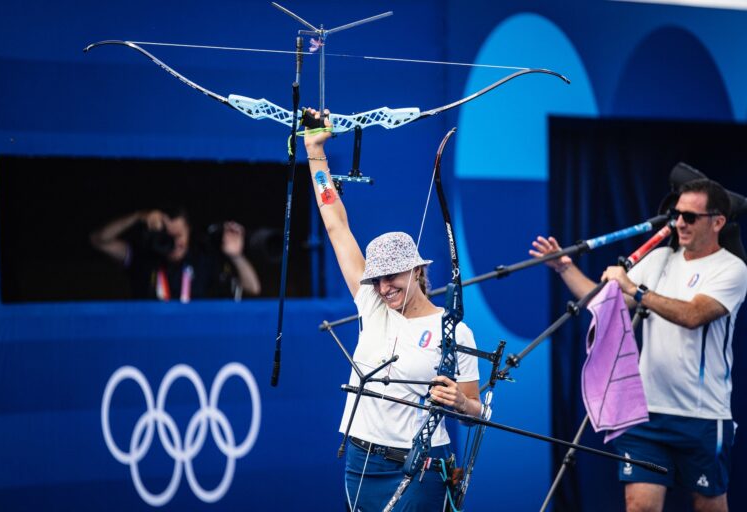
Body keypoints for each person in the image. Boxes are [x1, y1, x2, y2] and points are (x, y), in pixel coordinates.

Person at [530, 179, 747, 512]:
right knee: (639, 506)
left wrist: (636, 290)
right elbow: (602, 300)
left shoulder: (732, 269)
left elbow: (693, 315)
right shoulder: (659, 259)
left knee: (709, 507)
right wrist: (564, 267)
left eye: (690, 217)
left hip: (703, 414)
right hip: (645, 412)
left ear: (717, 222)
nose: (679, 223)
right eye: (676, 214)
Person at [302, 109, 481, 511]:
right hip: (361, 462)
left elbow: (475, 413)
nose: (384, 287)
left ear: (417, 270)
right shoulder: (372, 302)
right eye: (378, 279)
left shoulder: (454, 331)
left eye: (394, 276)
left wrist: (460, 403)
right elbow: (335, 225)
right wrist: (315, 151)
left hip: (421, 468)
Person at [90, 208, 261, 300]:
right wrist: (137, 216)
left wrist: (236, 256)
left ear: (189, 231)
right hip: (149, 339)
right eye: (167, 236)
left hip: (191, 340)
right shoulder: (143, 256)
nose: (173, 242)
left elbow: (253, 288)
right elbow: (98, 240)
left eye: (179, 235)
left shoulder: (203, 259)